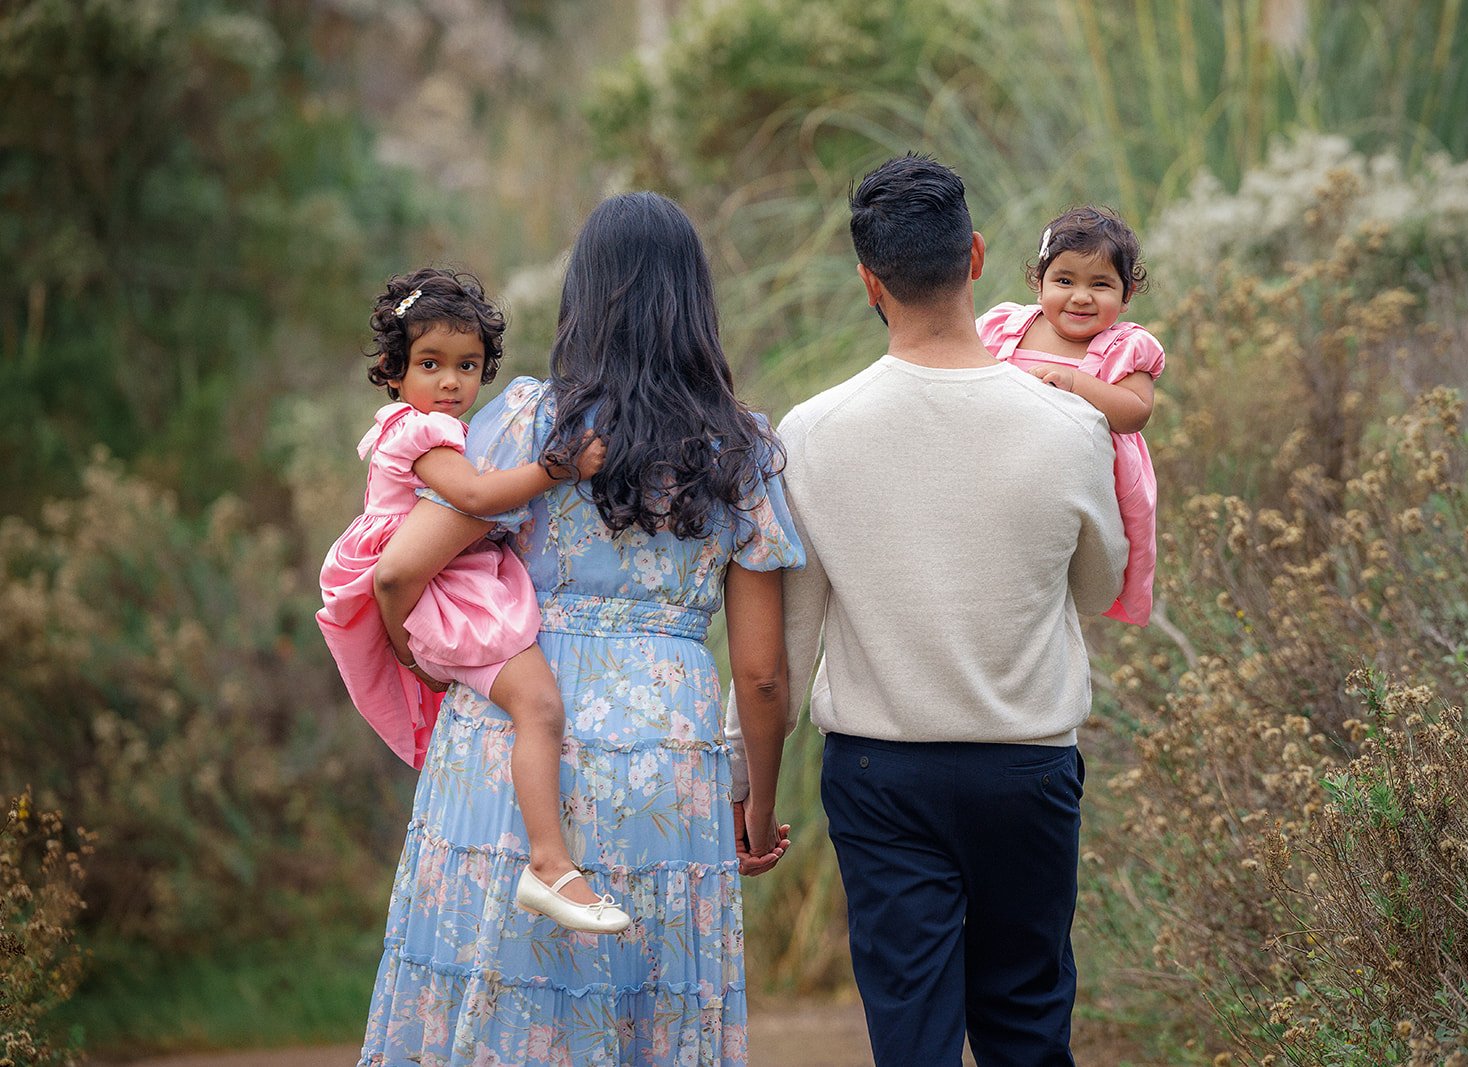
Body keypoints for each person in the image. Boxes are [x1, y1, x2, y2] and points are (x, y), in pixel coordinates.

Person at [359, 193, 801, 1065]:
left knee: (499, 1002)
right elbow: (761, 676)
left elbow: (401, 570)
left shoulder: (532, 422)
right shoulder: (744, 448)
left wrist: (429, 662)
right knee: (649, 1003)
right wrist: (754, 805)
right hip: (666, 759)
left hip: (514, 732)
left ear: (583, 297)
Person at [727, 154, 1127, 1066]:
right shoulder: (1071, 423)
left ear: (870, 282)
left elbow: (780, 654)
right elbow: (1099, 588)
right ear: (978, 257)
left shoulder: (814, 432)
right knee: (1029, 1024)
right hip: (1027, 767)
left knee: (912, 1037)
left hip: (881, 776)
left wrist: (750, 791)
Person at [317, 267, 625, 932]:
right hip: (443, 593)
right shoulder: (420, 433)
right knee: (538, 705)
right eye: (430, 364)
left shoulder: (411, 426)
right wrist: (557, 468)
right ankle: (548, 862)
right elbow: (480, 500)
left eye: (468, 365)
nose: (452, 382)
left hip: (444, 585)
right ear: (395, 372)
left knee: (521, 713)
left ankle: (535, 857)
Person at [977, 206, 1164, 626]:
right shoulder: (1005, 328)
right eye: (1064, 281)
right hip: (1000, 468)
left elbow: (1135, 413)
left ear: (1126, 293)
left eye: (1100, 284)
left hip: (1083, 485)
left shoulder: (1124, 347)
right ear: (1038, 283)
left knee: (1067, 572)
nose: (1081, 296)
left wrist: (1078, 384)